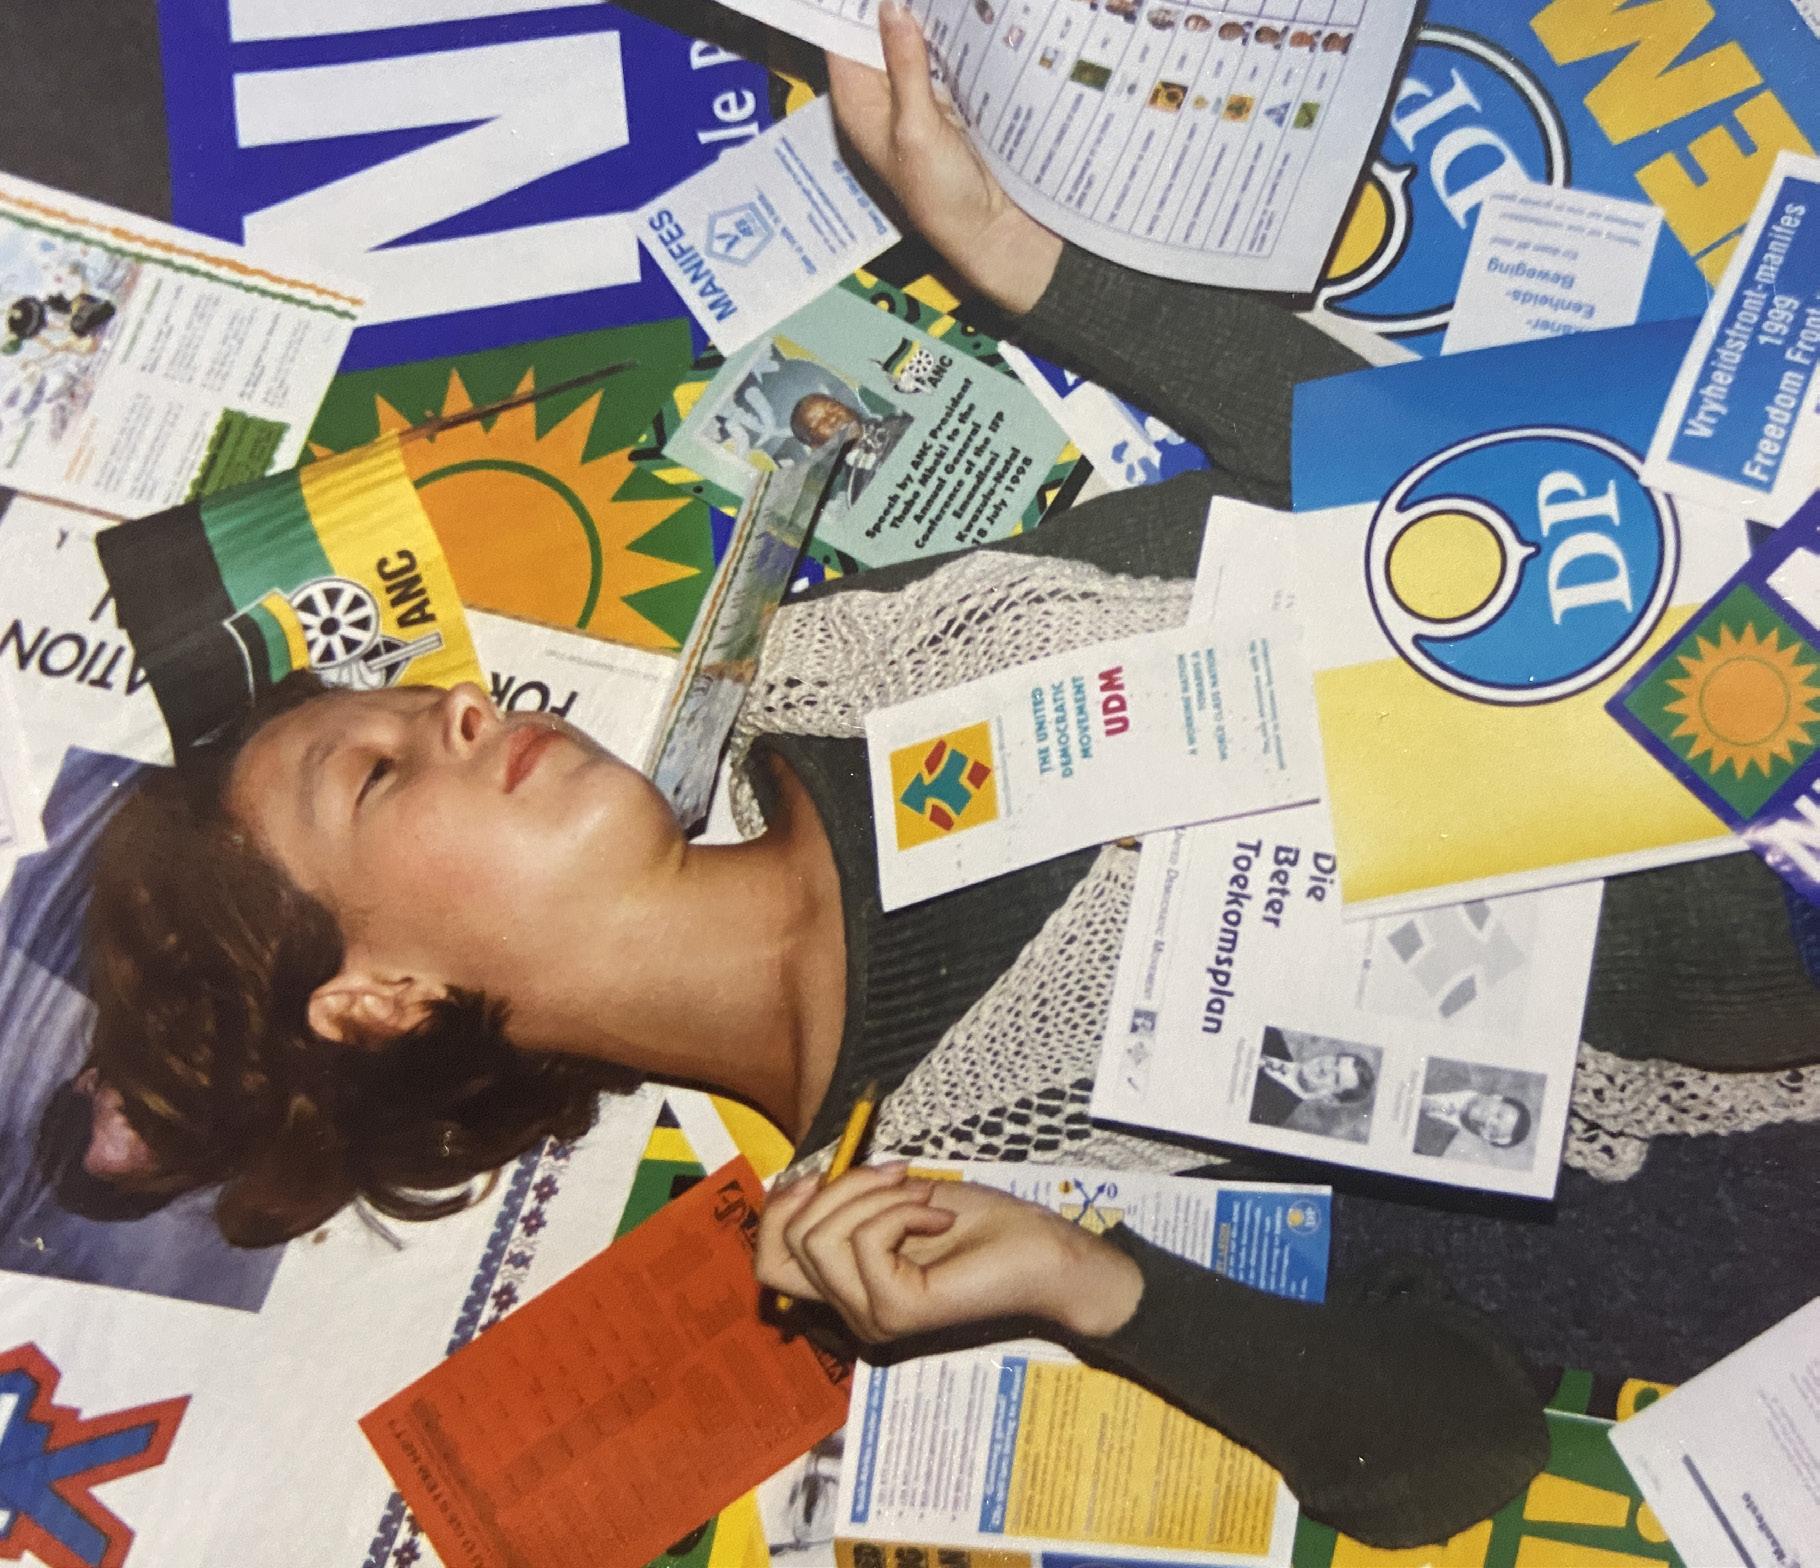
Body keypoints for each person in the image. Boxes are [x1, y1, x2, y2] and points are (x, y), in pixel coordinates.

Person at [77, 0, 1820, 1540]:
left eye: (415, 697)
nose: (456, 707)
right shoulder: (937, 1207)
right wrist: (1092, 1286)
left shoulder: (845, 659)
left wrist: (1019, 256)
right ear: (378, 998)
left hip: (1729, 599)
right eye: (379, 775)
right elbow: (1453, 1447)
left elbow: (1381, 484)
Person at [1249, 1033, 1375, 1127]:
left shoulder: (1268, 1116)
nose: (1326, 1067)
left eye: (1336, 1078)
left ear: (1330, 1099)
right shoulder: (1272, 1035)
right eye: (1335, 1061)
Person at [1416, 1090, 1530, 1157]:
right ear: (1497, 1097)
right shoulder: (1455, 1062)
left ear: (1487, 1137)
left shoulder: (1429, 1151)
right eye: (1499, 1114)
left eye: (1493, 1130)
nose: (1488, 1121)